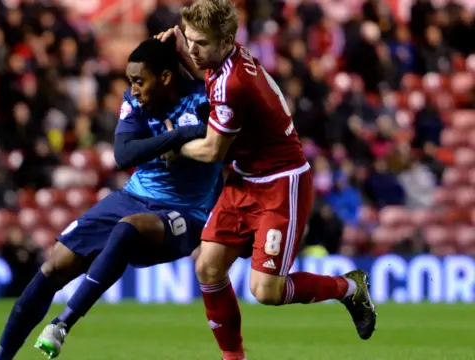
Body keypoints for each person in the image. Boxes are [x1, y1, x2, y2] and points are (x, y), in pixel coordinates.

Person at [156, 1, 377, 359]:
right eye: (190, 40)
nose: (193, 50)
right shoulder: (222, 57)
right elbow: (202, 67)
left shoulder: (234, 84)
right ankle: (234, 357)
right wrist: (181, 46)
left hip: (280, 184)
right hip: (246, 178)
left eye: (201, 43)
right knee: (208, 266)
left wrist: (173, 147)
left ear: (226, 41)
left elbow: (213, 151)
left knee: (266, 291)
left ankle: (349, 288)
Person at [0, 38, 222, 360]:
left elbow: (222, 116)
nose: (133, 89)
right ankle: (2, 356)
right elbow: (123, 153)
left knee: (129, 229)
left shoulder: (202, 100)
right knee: (53, 266)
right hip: (131, 195)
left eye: (140, 81)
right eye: (131, 81)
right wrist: (180, 136)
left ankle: (62, 323)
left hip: (186, 212)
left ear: (166, 78)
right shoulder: (135, 102)